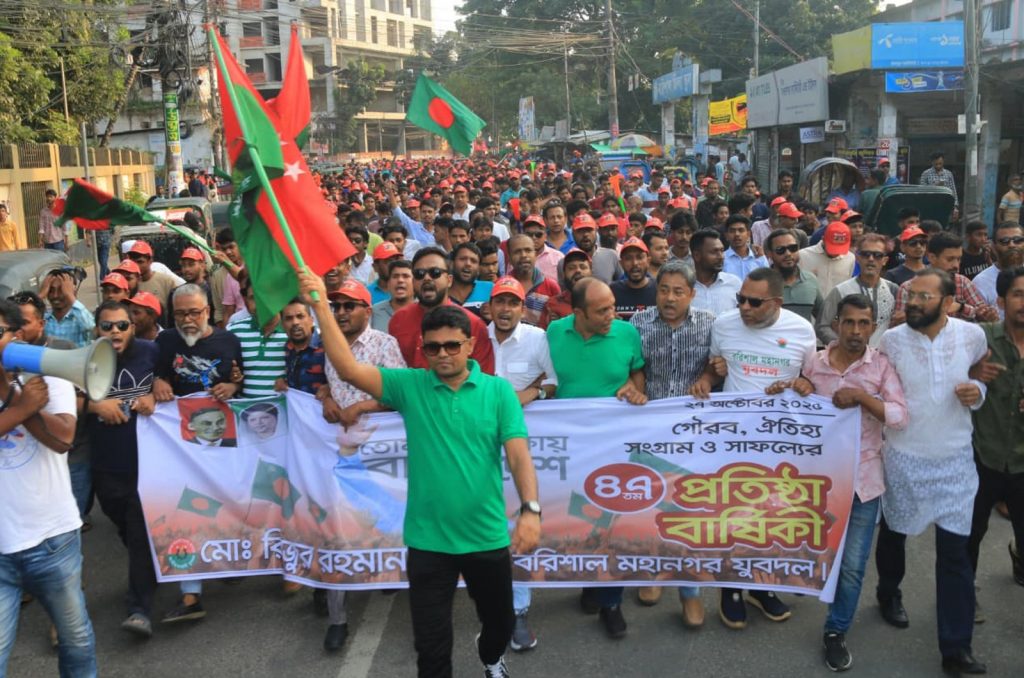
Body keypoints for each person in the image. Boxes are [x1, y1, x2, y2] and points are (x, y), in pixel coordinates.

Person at [300, 270, 539, 678]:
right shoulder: (409, 386)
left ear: (469, 345)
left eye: (452, 345)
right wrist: (321, 305)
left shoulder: (498, 392)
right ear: (422, 349)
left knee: (498, 625)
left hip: (486, 537)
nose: (442, 354)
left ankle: (490, 655)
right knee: (430, 649)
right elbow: (349, 369)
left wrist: (531, 510)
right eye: (433, 347)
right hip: (428, 542)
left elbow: (518, 456)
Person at [874, 268, 988, 675]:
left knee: (954, 556)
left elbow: (980, 375)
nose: (914, 303)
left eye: (925, 297)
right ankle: (888, 592)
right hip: (903, 458)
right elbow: (876, 387)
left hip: (955, 461)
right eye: (912, 296)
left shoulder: (972, 336)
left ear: (949, 302)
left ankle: (956, 648)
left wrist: (978, 392)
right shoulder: (891, 341)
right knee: (895, 534)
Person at [690, 268, 817, 631]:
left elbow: (812, 379)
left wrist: (803, 384)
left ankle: (762, 586)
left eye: (754, 302)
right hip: (733, 439)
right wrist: (706, 378)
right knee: (734, 514)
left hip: (780, 441)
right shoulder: (724, 325)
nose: (744, 307)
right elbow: (716, 370)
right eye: (741, 299)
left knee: (772, 515)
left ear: (776, 302)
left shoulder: (801, 331)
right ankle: (731, 588)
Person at [796, 294, 908, 671]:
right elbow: (797, 408)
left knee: (853, 566)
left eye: (864, 323)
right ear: (837, 325)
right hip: (817, 482)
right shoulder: (814, 363)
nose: (856, 331)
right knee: (803, 549)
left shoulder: (881, 366)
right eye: (849, 322)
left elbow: (899, 416)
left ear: (873, 327)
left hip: (863, 483)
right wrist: (798, 388)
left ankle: (835, 630)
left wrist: (862, 397)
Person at [547, 277, 647, 639]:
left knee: (612, 521)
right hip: (568, 448)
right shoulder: (554, 333)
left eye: (613, 307)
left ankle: (611, 602)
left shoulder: (626, 333)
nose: (612, 315)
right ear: (578, 313)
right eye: (602, 311)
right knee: (577, 518)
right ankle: (588, 580)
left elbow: (637, 374)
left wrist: (634, 388)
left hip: (612, 446)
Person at [0, 299, 96, 677]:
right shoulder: (25, 395)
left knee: (76, 640)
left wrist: (18, 399)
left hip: (52, 537)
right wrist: (19, 409)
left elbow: (63, 439)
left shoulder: (48, 374)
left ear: (16, 336)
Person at [628, 261, 713, 628]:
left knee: (689, 512)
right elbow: (633, 368)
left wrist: (708, 377)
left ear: (692, 294)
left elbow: (716, 365)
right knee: (650, 505)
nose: (670, 298)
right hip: (649, 431)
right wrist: (634, 388)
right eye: (664, 290)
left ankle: (689, 591)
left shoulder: (710, 324)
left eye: (679, 291)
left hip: (694, 435)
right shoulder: (638, 324)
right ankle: (653, 572)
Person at [153, 283, 243, 623]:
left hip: (223, 441)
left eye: (194, 312)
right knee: (185, 511)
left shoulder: (229, 341)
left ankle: (229, 559)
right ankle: (191, 594)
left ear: (208, 312)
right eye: (180, 314)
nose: (188, 320)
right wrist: (158, 381)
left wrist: (233, 386)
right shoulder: (165, 342)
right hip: (180, 445)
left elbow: (242, 381)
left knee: (225, 505)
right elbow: (156, 374)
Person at [487, 277, 557, 651]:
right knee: (483, 524)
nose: (505, 309)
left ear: (521, 308)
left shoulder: (537, 338)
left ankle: (518, 610)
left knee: (519, 524)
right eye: (499, 302)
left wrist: (527, 394)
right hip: (477, 447)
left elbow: (553, 383)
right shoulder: (474, 337)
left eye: (512, 303)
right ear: (489, 306)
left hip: (523, 448)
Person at [85, 300, 160, 638]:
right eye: (107, 326)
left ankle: (138, 609)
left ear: (133, 327)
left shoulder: (151, 351)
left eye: (122, 325)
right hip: (106, 463)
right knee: (123, 525)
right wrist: (94, 405)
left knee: (139, 530)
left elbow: (172, 381)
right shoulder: (84, 358)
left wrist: (157, 392)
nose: (114, 331)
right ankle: (151, 565)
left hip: (147, 462)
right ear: (96, 329)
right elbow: (64, 398)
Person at [967, 267, 1024, 593]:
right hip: (981, 456)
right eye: (1018, 294)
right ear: (1001, 301)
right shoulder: (981, 338)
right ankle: (965, 596)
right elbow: (944, 373)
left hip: (1022, 461)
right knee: (969, 535)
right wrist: (970, 372)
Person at [388, 247, 494, 373]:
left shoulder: (474, 325)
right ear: (413, 281)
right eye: (419, 274)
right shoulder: (398, 320)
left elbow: (484, 377)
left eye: (435, 272)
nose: (427, 278)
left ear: (449, 280)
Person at [893, 232, 998, 323]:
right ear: (932, 258)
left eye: (958, 259)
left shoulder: (962, 282)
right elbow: (900, 326)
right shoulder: (908, 288)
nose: (956, 265)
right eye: (950, 259)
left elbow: (981, 312)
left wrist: (962, 307)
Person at [818, 233, 899, 347]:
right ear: (857, 257)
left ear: (885, 260)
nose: (871, 259)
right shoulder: (841, 290)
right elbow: (822, 325)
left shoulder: (893, 290)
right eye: (865, 254)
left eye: (877, 255)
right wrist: (842, 346)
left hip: (883, 355)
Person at [227, 278, 287, 398]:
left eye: (265, 296)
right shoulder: (233, 331)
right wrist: (233, 381)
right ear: (246, 301)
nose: (260, 304)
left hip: (284, 408)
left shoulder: (292, 331)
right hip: (244, 408)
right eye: (253, 298)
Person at [763, 228, 823, 325]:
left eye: (793, 248)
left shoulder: (810, 280)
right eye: (780, 250)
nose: (788, 254)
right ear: (769, 254)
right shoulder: (760, 283)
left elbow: (823, 317)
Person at [506, 234, 562, 328]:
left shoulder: (551, 287)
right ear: (509, 258)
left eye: (528, 250)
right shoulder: (502, 286)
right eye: (517, 252)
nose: (523, 255)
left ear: (535, 255)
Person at [972, 222, 1024, 315]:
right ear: (993, 246)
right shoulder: (981, 282)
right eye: (1004, 241)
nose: (1012, 245)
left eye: (1018, 240)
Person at [689, 229, 741, 316]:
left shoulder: (734, 283)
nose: (721, 257)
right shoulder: (685, 286)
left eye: (722, 251)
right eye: (714, 252)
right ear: (697, 255)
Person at [561, 213, 621, 284]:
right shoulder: (564, 261)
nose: (585, 235)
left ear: (596, 231)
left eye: (589, 230)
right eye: (580, 231)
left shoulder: (611, 256)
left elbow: (622, 285)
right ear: (573, 234)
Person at [799, 222, 855, 299]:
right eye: (832, 247)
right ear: (823, 239)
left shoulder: (850, 258)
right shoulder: (803, 256)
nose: (836, 253)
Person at [42, 268, 94, 348]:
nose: (55, 295)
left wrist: (70, 295)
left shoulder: (80, 317)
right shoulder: (43, 319)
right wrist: (40, 295)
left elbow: (91, 326)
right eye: (51, 290)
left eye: (61, 290)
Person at [610, 237, 656, 320]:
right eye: (628, 258)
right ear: (621, 263)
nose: (635, 263)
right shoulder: (612, 291)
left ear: (648, 261)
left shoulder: (659, 289)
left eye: (639, 257)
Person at [448, 242, 493, 315]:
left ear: (479, 268)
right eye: (462, 259)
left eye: (473, 261)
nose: (468, 264)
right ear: (452, 263)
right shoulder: (442, 291)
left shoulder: (490, 289)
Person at [371, 259, 414, 332]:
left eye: (406, 276)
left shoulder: (424, 311)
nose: (400, 280)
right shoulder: (374, 312)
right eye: (395, 276)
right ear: (388, 284)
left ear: (415, 283)